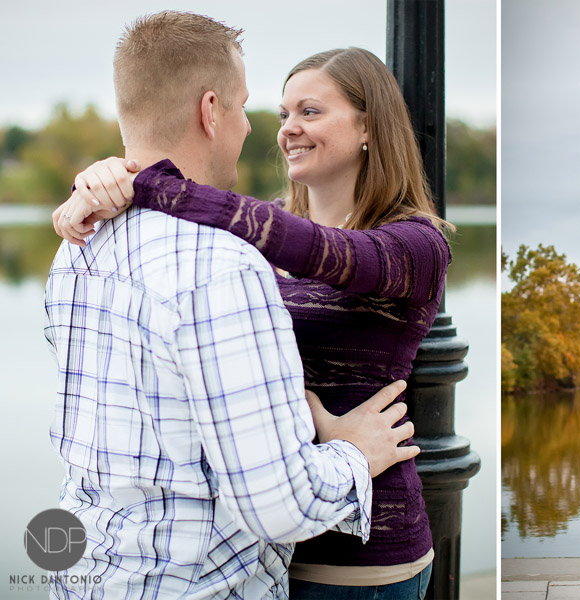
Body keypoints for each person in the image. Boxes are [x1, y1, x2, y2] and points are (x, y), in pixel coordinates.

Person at [45, 13, 419, 599]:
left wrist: (137, 181)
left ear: (371, 126)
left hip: (356, 556)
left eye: (310, 111)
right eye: (262, 110)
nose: (270, 129)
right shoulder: (226, 261)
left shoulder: (78, 252)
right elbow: (277, 500)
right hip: (222, 571)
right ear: (211, 111)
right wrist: (346, 445)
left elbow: (326, 251)